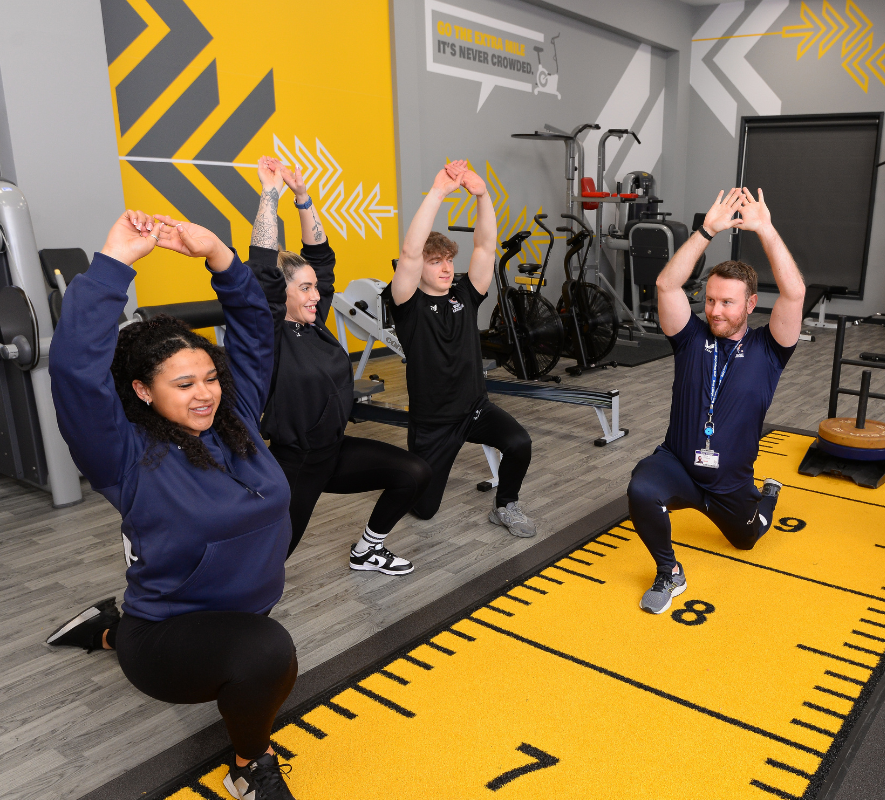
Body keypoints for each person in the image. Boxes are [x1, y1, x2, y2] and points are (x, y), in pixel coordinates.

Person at [44, 211, 300, 799]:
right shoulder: (124, 454)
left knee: (256, 647)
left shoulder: (235, 417)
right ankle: (247, 767)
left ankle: (103, 630)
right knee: (268, 656)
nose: (204, 393)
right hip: (165, 635)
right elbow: (74, 370)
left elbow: (259, 333)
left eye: (209, 378)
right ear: (142, 390)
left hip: (235, 616)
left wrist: (219, 256)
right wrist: (112, 265)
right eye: (183, 385)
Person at [246, 156, 430, 572]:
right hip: (296, 463)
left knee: (414, 473)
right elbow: (261, 266)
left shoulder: (315, 323)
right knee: (270, 562)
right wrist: (269, 194)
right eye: (305, 288)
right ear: (281, 294)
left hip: (335, 451)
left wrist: (302, 197)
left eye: (316, 287)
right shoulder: (267, 334)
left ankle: (367, 549)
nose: (316, 294)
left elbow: (321, 257)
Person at [628, 187, 805, 614]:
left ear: (750, 303)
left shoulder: (770, 348)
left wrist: (765, 229)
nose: (716, 311)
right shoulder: (690, 339)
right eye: (710, 300)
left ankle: (769, 495)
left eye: (727, 302)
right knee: (641, 488)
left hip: (730, 485)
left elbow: (795, 293)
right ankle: (670, 573)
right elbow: (666, 284)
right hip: (679, 465)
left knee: (748, 537)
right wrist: (706, 230)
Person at [388, 160, 536, 537]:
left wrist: (482, 194)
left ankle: (506, 505)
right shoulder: (407, 305)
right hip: (433, 423)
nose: (445, 268)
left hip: (474, 409)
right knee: (423, 510)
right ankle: (402, 472)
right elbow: (408, 253)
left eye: (448, 261)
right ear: (419, 268)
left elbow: (486, 246)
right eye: (434, 261)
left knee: (519, 443)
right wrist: (438, 192)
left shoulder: (464, 296)